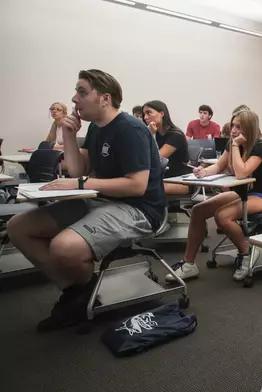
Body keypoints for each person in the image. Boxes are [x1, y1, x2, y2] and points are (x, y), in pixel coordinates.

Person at [7, 69, 165, 332]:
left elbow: (137, 186)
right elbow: (78, 170)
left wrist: (80, 184)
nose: (74, 98)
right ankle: (79, 293)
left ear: (105, 98)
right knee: (19, 228)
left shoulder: (131, 129)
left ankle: (79, 298)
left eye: (82, 92)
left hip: (139, 209)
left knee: (64, 247)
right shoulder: (96, 129)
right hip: (102, 200)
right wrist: (68, 134)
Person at [167, 109, 262, 282]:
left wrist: (234, 145)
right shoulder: (233, 142)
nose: (233, 130)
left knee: (223, 216)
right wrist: (203, 172)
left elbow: (242, 173)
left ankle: (245, 254)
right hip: (241, 193)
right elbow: (218, 166)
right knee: (198, 210)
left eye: (238, 126)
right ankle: (189, 264)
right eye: (232, 125)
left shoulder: (260, 146)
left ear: (249, 127)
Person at [143, 100, 191, 195]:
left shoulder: (176, 135)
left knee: (143, 189)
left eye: (149, 113)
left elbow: (156, 159)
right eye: (144, 114)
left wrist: (150, 135)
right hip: (163, 177)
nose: (145, 117)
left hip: (181, 180)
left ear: (161, 114)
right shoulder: (156, 133)